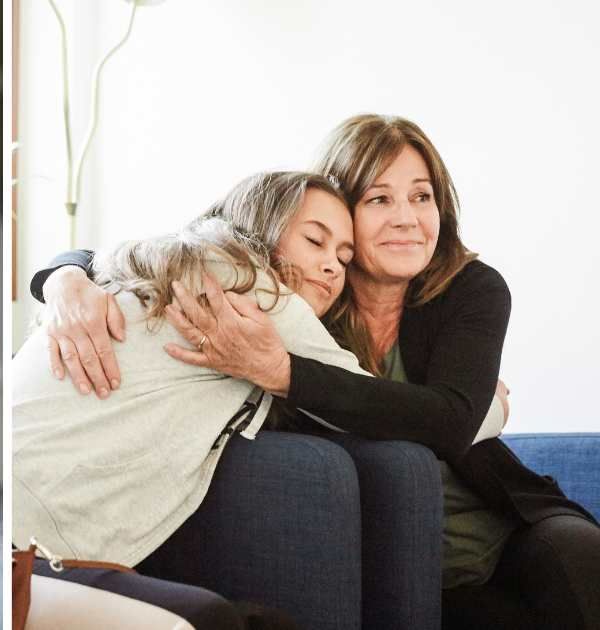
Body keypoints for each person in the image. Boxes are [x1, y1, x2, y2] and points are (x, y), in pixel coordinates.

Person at [34, 114, 599, 629]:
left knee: (581, 558)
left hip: (499, 526)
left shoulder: (471, 290)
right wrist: (63, 277)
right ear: (336, 206)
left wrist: (282, 373)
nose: (406, 218)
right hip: (396, 551)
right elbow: (175, 243)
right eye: (379, 198)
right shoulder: (298, 290)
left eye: (421, 196)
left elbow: (449, 424)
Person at [15, 171, 367, 629]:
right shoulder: (257, 292)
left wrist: (63, 272)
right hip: (29, 549)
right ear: (263, 225)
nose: (333, 267)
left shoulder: (152, 265)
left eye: (344, 257)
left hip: (34, 536)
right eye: (315, 241)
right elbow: (376, 402)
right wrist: (494, 405)